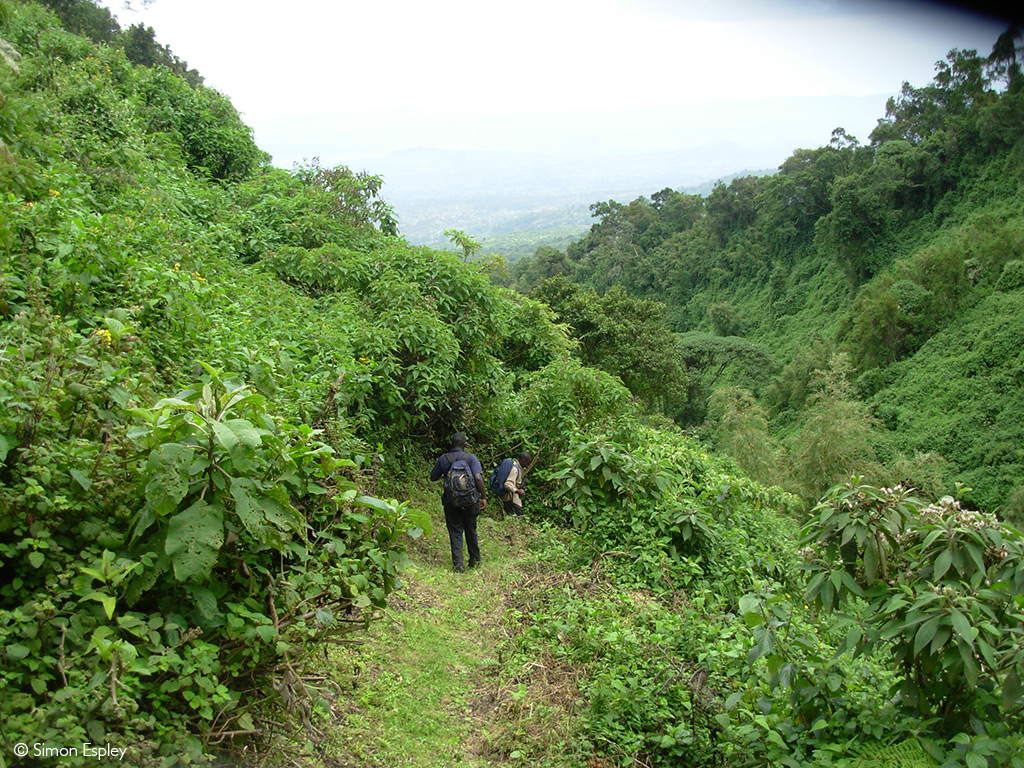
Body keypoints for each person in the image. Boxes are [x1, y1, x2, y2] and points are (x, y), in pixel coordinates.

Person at [429, 433, 487, 573]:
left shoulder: (444, 459)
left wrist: (445, 475)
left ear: (451, 443)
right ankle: (475, 560)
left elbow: (432, 477)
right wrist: (484, 496)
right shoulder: (471, 458)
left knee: (455, 531)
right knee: (471, 529)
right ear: (465, 444)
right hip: (470, 501)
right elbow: (478, 478)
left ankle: (458, 565)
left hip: (451, 501)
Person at [501, 452, 532, 517]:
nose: (528, 465)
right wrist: (517, 491)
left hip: (511, 498)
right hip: (511, 499)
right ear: (523, 461)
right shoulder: (515, 469)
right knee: (519, 517)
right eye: (528, 463)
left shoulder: (516, 466)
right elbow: (507, 484)